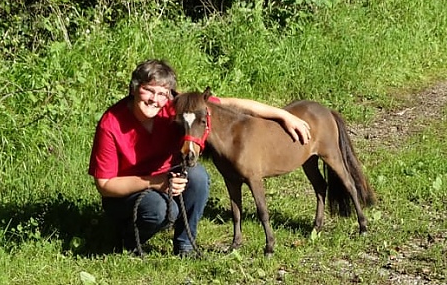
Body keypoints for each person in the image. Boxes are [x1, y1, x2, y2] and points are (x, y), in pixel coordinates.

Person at [88, 59, 311, 257]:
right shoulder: (112, 123)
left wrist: (283, 115)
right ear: (135, 88)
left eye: (162, 94)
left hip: (165, 180)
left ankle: (185, 244)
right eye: (148, 91)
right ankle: (126, 239)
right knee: (161, 210)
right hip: (127, 192)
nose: (155, 100)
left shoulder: (175, 107)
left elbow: (233, 104)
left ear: (169, 95)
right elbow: (105, 185)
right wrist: (155, 182)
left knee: (198, 176)